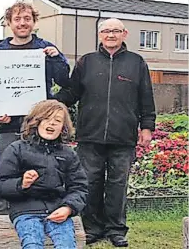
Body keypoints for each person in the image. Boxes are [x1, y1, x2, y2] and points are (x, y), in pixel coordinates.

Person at [56, 18, 156, 247]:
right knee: (89, 183)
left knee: (117, 186)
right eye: (106, 31)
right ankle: (91, 228)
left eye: (116, 31)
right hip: (90, 135)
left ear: (124, 34)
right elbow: (71, 93)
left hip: (124, 137)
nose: (111, 35)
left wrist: (147, 127)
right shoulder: (86, 62)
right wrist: (47, 102)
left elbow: (146, 98)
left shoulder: (137, 62)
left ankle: (116, 230)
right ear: (99, 35)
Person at [0, 1, 70, 215]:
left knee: (41, 170)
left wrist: (57, 58)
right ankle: (3, 217)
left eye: (27, 19)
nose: (22, 23)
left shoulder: (45, 48)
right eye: (17, 19)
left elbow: (64, 81)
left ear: (34, 22)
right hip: (8, 126)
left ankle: (36, 213)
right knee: (5, 172)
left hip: (38, 126)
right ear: (9, 23)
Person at [0, 100, 88, 249]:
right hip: (25, 211)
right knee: (32, 244)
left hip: (58, 210)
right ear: (36, 122)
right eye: (47, 119)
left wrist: (68, 208)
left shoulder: (68, 154)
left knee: (66, 245)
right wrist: (21, 184)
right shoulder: (17, 149)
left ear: (63, 127)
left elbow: (79, 187)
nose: (52, 123)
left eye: (58, 120)